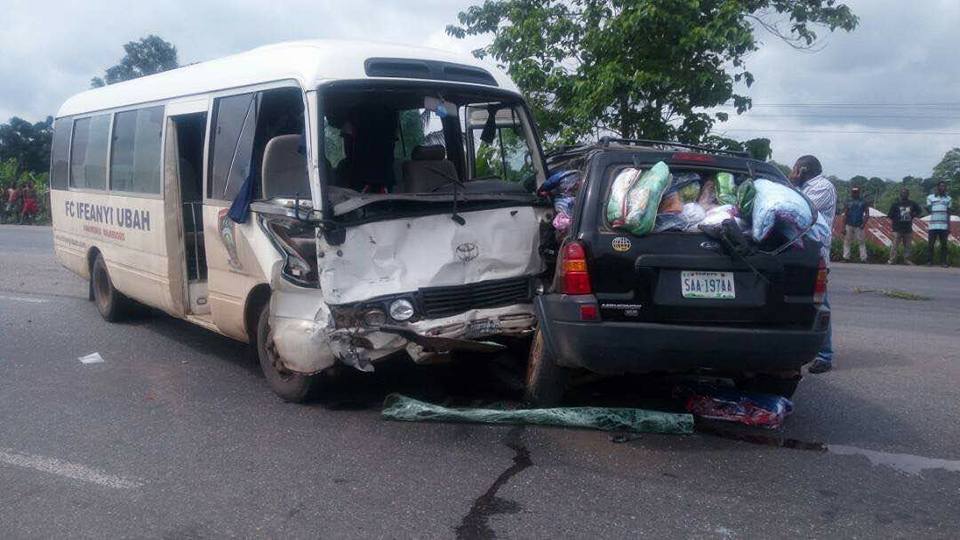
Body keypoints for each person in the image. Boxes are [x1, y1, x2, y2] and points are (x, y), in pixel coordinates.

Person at [789, 155, 836, 374]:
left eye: (795, 168)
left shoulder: (822, 187)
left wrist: (791, 186)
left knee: (819, 304)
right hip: (800, 253)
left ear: (803, 170)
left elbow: (800, 209)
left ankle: (825, 356)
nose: (793, 171)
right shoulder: (808, 186)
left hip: (816, 254)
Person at [887, 188, 921, 265]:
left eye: (906, 193)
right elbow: (890, 215)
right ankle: (892, 260)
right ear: (900, 194)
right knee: (895, 245)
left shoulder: (912, 203)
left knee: (908, 246)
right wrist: (897, 217)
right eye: (903, 193)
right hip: (897, 228)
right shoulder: (895, 204)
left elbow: (919, 211)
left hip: (908, 228)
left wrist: (913, 215)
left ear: (908, 194)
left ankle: (907, 260)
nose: (904, 194)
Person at [926, 181, 952, 267]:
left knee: (944, 245)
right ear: (937, 188)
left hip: (944, 226)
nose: (942, 188)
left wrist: (949, 226)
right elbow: (929, 210)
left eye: (944, 186)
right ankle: (929, 261)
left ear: (946, 188)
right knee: (930, 244)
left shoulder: (949, 199)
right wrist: (927, 208)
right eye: (941, 186)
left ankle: (943, 262)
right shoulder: (930, 197)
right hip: (933, 225)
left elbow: (948, 213)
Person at [842, 187, 868, 262]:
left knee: (861, 242)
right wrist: (843, 227)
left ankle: (863, 258)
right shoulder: (848, 202)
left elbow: (867, 214)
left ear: (859, 192)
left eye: (856, 192)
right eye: (853, 192)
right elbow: (845, 214)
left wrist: (864, 224)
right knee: (847, 241)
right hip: (849, 224)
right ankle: (846, 257)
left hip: (859, 225)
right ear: (851, 192)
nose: (854, 193)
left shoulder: (863, 202)